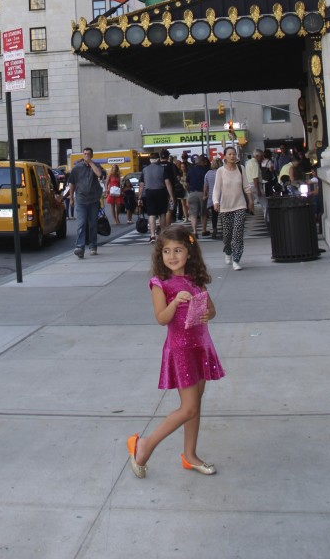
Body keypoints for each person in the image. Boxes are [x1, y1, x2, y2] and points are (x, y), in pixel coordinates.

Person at [126, 225, 224, 479]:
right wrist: (174, 303)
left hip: (200, 346)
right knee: (188, 407)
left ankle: (189, 455)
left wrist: (207, 313)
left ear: (189, 253)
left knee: (195, 404)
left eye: (178, 250)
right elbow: (161, 318)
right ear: (160, 255)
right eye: (167, 251)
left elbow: (211, 309)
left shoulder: (195, 280)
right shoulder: (160, 283)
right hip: (180, 349)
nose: (172, 256)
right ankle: (145, 445)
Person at [212, 146, 253, 271]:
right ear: (224, 156)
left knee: (238, 233)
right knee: (227, 235)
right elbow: (217, 188)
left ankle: (236, 259)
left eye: (234, 154)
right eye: (229, 154)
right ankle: (228, 251)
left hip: (240, 205)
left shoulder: (241, 169)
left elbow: (246, 187)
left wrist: (250, 201)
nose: (232, 156)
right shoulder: (220, 171)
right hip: (225, 207)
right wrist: (215, 201)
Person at [68, 147, 105, 258]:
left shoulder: (96, 166)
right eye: (85, 154)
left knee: (93, 224)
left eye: (88, 154)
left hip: (93, 200)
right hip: (81, 200)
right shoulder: (77, 168)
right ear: (82, 155)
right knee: (81, 224)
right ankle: (80, 247)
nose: (86, 156)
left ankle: (93, 246)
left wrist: (91, 163)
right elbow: (72, 184)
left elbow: (99, 174)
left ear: (92, 155)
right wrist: (71, 198)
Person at [138, 152, 175, 243]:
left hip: (149, 192)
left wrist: (139, 198)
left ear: (150, 160)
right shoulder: (162, 169)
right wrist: (171, 195)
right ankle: (162, 234)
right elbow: (167, 183)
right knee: (162, 214)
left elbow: (141, 185)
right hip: (161, 192)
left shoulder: (145, 170)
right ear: (158, 159)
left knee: (151, 214)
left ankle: (152, 235)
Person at [186, 155, 208, 237]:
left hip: (192, 193)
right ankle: (204, 230)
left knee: (193, 213)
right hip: (202, 193)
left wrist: (189, 192)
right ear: (201, 162)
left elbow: (186, 183)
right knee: (203, 213)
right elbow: (207, 183)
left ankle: (195, 231)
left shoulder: (190, 171)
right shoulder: (205, 171)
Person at [203, 158, 221, 238]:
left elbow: (205, 186)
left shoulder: (207, 173)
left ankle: (214, 228)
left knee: (214, 214)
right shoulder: (221, 172)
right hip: (222, 196)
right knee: (223, 213)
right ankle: (225, 228)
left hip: (212, 197)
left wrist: (205, 194)